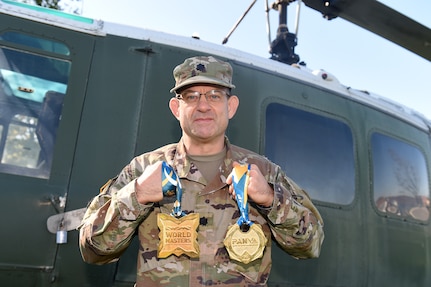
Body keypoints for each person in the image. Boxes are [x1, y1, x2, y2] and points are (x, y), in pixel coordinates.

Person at [79, 55, 324, 286]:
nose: (203, 106)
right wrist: (138, 194)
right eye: (192, 96)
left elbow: (310, 244)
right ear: (176, 108)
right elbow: (92, 249)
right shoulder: (143, 169)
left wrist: (271, 199)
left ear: (231, 107)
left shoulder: (264, 172)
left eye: (215, 96)